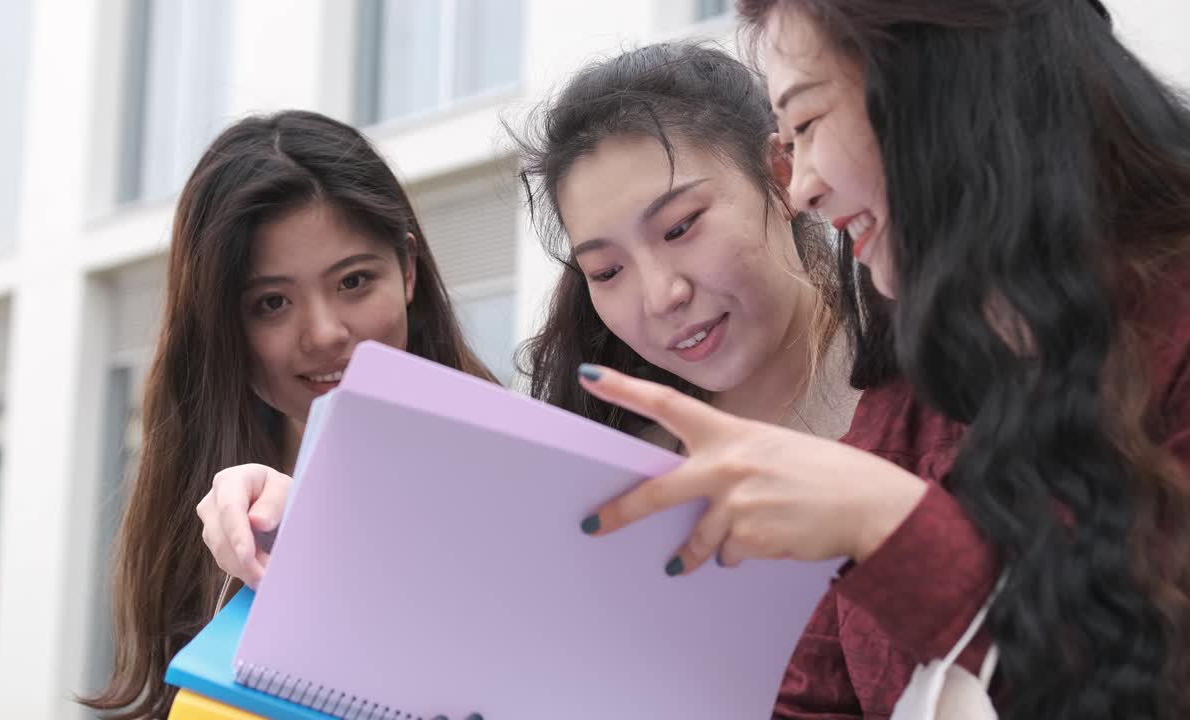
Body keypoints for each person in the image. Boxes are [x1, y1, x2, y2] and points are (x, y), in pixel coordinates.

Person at [577, 2, 1190, 718]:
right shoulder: (909, 394)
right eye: (604, 270)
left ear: (941, 86)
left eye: (806, 126)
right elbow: (816, 697)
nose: (803, 186)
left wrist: (890, 525)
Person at [196, 42, 863, 591]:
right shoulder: (597, 465)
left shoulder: (922, 388)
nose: (661, 295)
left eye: (681, 227)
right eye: (605, 271)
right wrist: (300, 511)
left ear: (782, 173)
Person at [81, 110, 495, 720]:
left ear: (407, 269)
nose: (325, 333)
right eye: (272, 303)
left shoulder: (510, 484)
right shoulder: (200, 513)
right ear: (224, 326)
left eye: (354, 281)